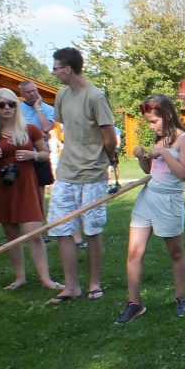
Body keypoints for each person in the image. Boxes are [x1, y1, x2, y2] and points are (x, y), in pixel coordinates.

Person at [45, 47, 117, 305]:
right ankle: (72, 286)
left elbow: (110, 138)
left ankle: (94, 283)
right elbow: (62, 128)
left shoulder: (95, 97)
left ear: (68, 69)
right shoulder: (62, 95)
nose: (53, 72)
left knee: (92, 230)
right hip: (65, 174)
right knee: (62, 229)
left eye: (55, 68)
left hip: (92, 175)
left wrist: (103, 161)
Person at [115, 94, 185, 324]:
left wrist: (165, 152)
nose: (151, 126)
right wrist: (142, 157)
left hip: (169, 201)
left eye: (154, 121)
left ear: (167, 115)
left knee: (175, 252)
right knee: (134, 252)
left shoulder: (184, 140)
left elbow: (183, 173)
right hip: (147, 199)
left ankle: (180, 298)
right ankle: (134, 303)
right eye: (149, 122)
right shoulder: (159, 139)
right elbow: (150, 170)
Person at [0, 89, 61, 291]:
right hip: (3, 186)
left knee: (35, 233)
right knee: (11, 234)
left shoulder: (30, 129)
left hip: (27, 184)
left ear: (17, 106)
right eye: (1, 104)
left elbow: (45, 153)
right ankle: (19, 277)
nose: (7, 108)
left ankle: (46, 280)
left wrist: (33, 156)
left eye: (11, 104)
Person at [18, 80, 56, 212]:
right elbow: (15, 130)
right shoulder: (16, 109)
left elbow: (47, 127)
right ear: (22, 94)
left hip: (41, 156)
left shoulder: (48, 109)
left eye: (34, 90)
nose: (33, 93)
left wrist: (38, 108)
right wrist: (41, 135)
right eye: (28, 92)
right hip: (22, 156)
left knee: (40, 194)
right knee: (23, 194)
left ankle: (39, 222)